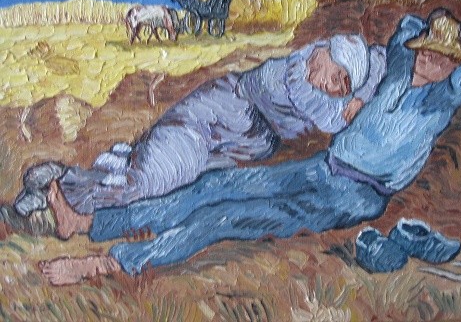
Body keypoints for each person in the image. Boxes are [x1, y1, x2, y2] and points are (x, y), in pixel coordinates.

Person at [37, 8, 461, 285]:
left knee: (224, 218)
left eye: (442, 57)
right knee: (213, 187)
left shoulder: (441, 100)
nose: (430, 58)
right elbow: (406, 29)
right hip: (324, 166)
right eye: (427, 49)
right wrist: (437, 29)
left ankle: (110, 264)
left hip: (356, 194)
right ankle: (94, 221)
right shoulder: (397, 70)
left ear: (455, 66)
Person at [10, 34, 387, 218]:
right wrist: (352, 104)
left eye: (343, 87)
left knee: (162, 187)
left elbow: (381, 58)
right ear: (325, 53)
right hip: (209, 119)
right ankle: (57, 193)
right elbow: (326, 117)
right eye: (337, 78)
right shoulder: (288, 75)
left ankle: (61, 181)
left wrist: (360, 90)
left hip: (231, 144)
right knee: (153, 180)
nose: (335, 89)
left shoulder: (322, 71)